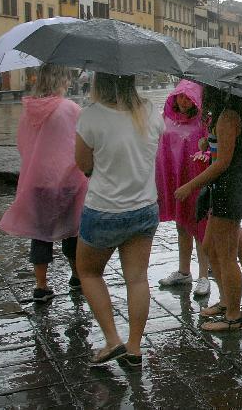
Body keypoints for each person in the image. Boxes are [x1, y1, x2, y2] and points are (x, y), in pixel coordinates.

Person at [75, 72, 165, 367]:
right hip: (144, 208)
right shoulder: (150, 111)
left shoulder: (91, 116)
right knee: (137, 278)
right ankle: (135, 348)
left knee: (88, 273)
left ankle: (113, 340)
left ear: (99, 82)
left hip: (104, 209)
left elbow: (83, 164)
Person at [0, 64, 88, 302]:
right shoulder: (70, 108)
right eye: (67, 79)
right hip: (68, 180)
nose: (69, 83)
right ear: (60, 80)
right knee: (73, 230)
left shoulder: (29, 110)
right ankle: (77, 276)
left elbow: (22, 144)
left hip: (38, 180)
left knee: (40, 233)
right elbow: (81, 143)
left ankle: (41, 285)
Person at [174, 86, 242, 332]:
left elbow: (222, 163)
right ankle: (225, 302)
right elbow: (220, 151)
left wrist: (189, 186)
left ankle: (233, 316)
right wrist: (207, 142)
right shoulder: (222, 116)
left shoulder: (227, 117)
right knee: (210, 247)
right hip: (223, 189)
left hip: (230, 190)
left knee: (226, 255)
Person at [156, 80, 211, 297]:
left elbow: (212, 148)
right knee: (181, 224)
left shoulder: (204, 120)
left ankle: (204, 275)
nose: (184, 100)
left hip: (196, 180)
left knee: (199, 226)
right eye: (180, 96)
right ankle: (184, 270)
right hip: (174, 179)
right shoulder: (167, 117)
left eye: (189, 97)